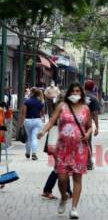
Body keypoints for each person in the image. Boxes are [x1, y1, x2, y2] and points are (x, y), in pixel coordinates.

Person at [38, 83, 92, 219]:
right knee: (62, 178)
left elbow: (90, 126)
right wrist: (43, 131)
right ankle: (63, 197)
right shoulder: (62, 106)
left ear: (81, 93)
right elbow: (52, 120)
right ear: (68, 93)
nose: (75, 93)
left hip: (80, 148)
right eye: (73, 91)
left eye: (78, 91)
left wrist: (88, 134)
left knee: (77, 177)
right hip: (62, 148)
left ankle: (74, 208)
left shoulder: (86, 108)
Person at [19, 87, 44, 160]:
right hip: (37, 120)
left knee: (29, 137)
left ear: (31, 93)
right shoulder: (40, 102)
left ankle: (27, 152)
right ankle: (34, 154)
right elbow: (42, 113)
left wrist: (21, 125)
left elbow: (23, 114)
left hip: (28, 120)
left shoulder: (27, 102)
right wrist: (39, 117)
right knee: (34, 137)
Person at [84, 80, 100, 170]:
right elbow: (95, 114)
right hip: (87, 124)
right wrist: (97, 127)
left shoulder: (78, 97)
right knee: (87, 142)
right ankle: (88, 163)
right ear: (93, 87)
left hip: (76, 122)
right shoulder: (94, 98)